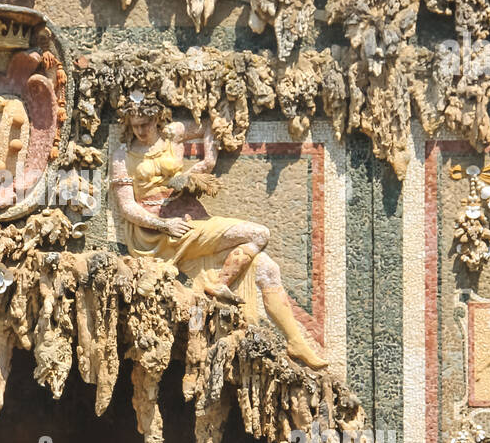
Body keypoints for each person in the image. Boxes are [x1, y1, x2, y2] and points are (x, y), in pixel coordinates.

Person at [108, 92, 328, 369]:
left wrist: (204, 164)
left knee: (267, 268)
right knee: (259, 234)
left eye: (146, 123)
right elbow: (128, 207)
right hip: (160, 234)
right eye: (135, 124)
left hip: (191, 220)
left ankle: (296, 342)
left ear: (157, 119)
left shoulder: (173, 134)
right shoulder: (121, 155)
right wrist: (165, 224)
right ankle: (220, 284)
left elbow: (210, 125)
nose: (140, 130)